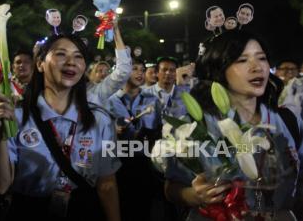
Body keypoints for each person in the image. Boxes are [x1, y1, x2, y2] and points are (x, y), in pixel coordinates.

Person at [164, 30, 303, 220]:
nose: (257, 67)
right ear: (219, 69)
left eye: (261, 58)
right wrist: (195, 195)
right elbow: (172, 188)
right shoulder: (196, 126)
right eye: (242, 60)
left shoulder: (288, 119)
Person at [0, 34, 121, 221]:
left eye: (78, 56)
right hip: (28, 210)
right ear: (40, 64)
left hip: (83, 209)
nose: (71, 62)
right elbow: (0, 186)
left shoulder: (99, 120)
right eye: (61, 54)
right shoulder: (16, 116)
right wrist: (0, 134)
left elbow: (107, 183)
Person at [109, 59, 176, 220]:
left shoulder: (152, 100)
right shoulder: (110, 101)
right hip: (119, 164)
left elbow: (159, 130)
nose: (139, 73)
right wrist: (113, 131)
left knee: (146, 209)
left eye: (142, 69)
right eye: (134, 69)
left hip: (146, 163)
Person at [86, 22, 132, 108]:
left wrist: (115, 31)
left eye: (107, 71)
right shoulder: (81, 90)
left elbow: (123, 71)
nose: (104, 73)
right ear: (90, 74)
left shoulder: (100, 91)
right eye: (99, 71)